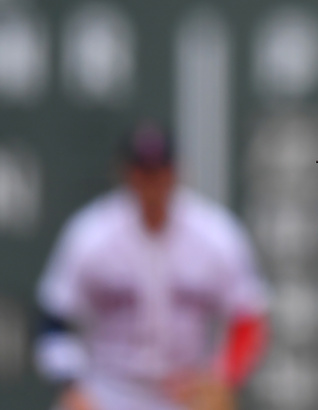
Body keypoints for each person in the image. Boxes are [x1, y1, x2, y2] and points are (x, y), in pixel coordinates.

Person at [34, 120, 271, 410]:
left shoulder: (215, 233)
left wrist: (222, 378)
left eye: (159, 170)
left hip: (186, 391)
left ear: (176, 171)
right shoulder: (91, 233)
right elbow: (52, 317)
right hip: (108, 389)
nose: (152, 181)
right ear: (125, 173)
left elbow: (249, 317)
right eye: (143, 170)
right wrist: (71, 384)